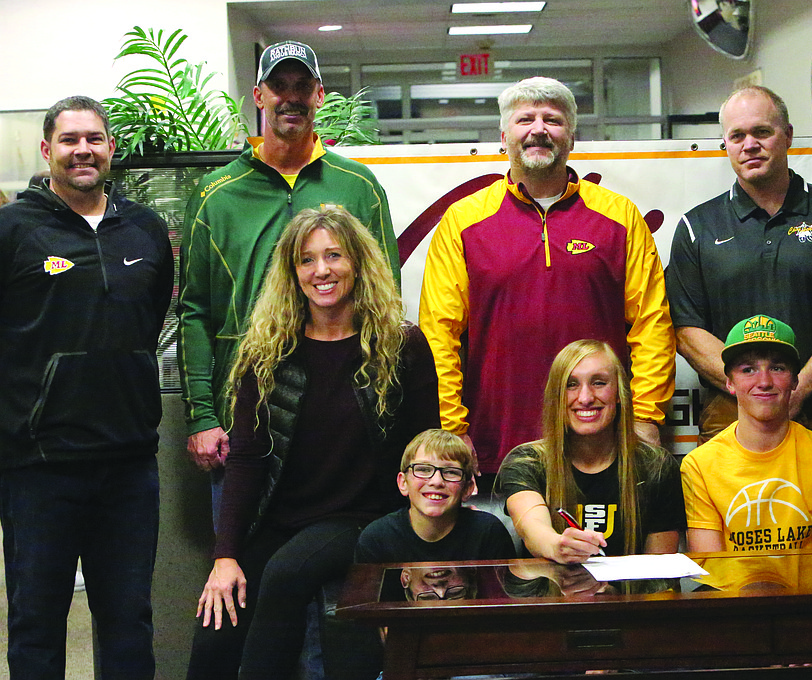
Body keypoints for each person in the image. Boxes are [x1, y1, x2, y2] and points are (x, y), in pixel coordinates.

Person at [185, 206, 437, 680]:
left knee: (286, 572)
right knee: (216, 624)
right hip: (280, 520)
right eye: (307, 260)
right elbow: (246, 462)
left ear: (358, 264)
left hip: (365, 519)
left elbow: (426, 447)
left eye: (334, 256)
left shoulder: (401, 346)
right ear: (292, 273)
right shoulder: (268, 351)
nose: (321, 270)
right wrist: (225, 556)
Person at [418, 76, 675, 487]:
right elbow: (439, 334)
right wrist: (452, 426)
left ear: (571, 136)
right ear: (504, 137)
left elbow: (652, 325)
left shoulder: (620, 217)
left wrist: (645, 418)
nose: (538, 129)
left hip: (602, 446)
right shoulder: (462, 222)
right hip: (495, 446)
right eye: (525, 120)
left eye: (552, 120)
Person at [178, 39, 398, 514]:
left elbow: (387, 302)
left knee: (344, 573)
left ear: (319, 95)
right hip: (244, 421)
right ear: (259, 96)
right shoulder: (216, 195)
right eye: (279, 86)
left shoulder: (359, 188)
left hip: (343, 421)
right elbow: (194, 311)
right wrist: (201, 414)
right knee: (240, 571)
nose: (290, 97)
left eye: (302, 85)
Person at [0, 95, 172, 679]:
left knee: (129, 621)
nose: (83, 150)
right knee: (36, 625)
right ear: (47, 150)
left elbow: (149, 321)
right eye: (70, 140)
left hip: (128, 465)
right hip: (37, 466)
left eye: (93, 138)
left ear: (111, 149)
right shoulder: (12, 231)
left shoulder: (144, 229)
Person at [665, 85, 812, 540]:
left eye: (762, 131)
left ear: (788, 135)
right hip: (730, 415)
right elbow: (686, 328)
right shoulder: (697, 227)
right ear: (725, 145)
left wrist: (799, 386)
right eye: (737, 136)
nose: (749, 144)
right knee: (730, 561)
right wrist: (754, 390)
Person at [680, 315, 812, 564]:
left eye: (778, 368)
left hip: (811, 599)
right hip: (732, 600)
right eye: (748, 370)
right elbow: (714, 574)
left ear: (795, 380)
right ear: (729, 382)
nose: (764, 382)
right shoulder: (699, 466)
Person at [496, 339, 685, 563]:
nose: (585, 398)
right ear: (556, 396)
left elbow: (658, 572)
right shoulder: (526, 461)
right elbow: (532, 528)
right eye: (571, 385)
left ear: (618, 393)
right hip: (554, 595)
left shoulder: (656, 465)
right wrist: (558, 546)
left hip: (630, 596)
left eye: (599, 383)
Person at [355, 429, 516, 564]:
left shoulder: (489, 534)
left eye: (451, 472)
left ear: (468, 488)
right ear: (403, 483)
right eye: (423, 470)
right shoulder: (376, 539)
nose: (436, 481)